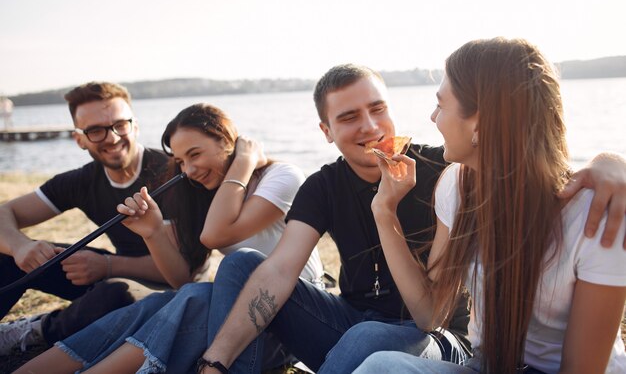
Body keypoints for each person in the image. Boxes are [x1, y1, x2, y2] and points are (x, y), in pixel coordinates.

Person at [195, 64, 626, 374]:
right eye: (348, 117)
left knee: (369, 342)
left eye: (377, 109)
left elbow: (533, 165)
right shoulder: (323, 186)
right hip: (354, 319)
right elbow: (281, 269)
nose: (369, 126)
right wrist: (215, 359)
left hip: (433, 338)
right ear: (325, 131)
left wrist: (611, 161)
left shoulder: (449, 166)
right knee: (241, 265)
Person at [353, 38, 626, 374]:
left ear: (479, 123)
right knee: (382, 367)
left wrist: (613, 160)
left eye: (442, 105)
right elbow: (430, 313)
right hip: (486, 365)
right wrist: (384, 211)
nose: (433, 116)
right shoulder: (456, 185)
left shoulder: (595, 215)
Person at [15, 103, 325, 374]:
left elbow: (216, 234)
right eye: (180, 161)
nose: (188, 170)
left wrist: (244, 161)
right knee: (166, 301)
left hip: (292, 321)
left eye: (195, 154)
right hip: (237, 321)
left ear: (228, 141)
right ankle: (34, 370)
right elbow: (179, 279)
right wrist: (152, 231)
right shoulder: (206, 195)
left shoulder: (283, 177)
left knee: (199, 298)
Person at [0, 82, 171, 355]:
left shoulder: (171, 172)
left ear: (135, 126)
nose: (113, 137)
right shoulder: (82, 180)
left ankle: (36, 329)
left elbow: (185, 270)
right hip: (112, 272)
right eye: (95, 130)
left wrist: (107, 265)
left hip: (170, 290)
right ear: (79, 139)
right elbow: (4, 214)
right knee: (9, 252)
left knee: (116, 294)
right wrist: (20, 246)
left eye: (120, 125)